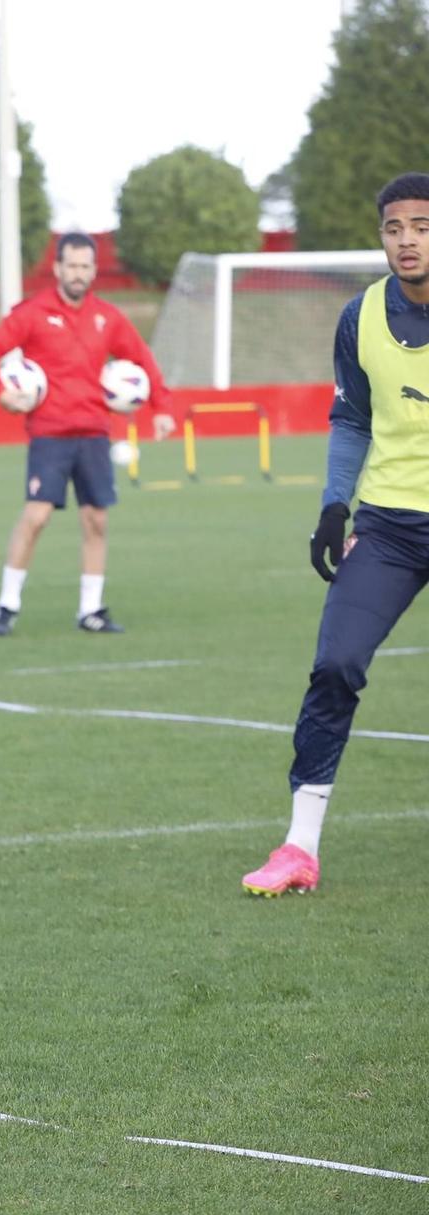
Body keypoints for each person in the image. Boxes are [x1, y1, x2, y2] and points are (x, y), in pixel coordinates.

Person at [242, 173, 429, 897]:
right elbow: (351, 417)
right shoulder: (359, 318)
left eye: (420, 225)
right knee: (336, 664)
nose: (407, 240)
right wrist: (333, 507)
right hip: (386, 526)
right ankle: (299, 847)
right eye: (394, 227)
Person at [0, 233, 176, 637]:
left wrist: (163, 408)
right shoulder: (33, 313)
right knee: (36, 516)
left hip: (95, 434)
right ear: (58, 268)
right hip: (50, 434)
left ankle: (91, 610)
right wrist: (2, 393)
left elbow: (142, 359)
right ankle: (6, 606)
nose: (78, 273)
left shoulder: (107, 317)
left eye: (85, 266)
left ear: (94, 270)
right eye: (72, 266)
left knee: (96, 521)